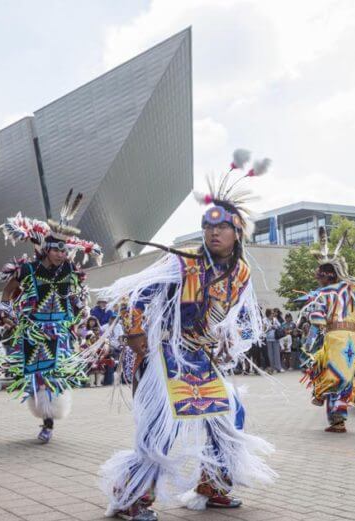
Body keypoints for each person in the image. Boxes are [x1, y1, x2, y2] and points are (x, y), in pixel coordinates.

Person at [98, 151, 275, 519]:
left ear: (237, 231)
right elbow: (134, 295)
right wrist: (134, 335)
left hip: (201, 356)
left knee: (229, 415)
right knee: (160, 427)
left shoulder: (240, 272)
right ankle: (132, 495)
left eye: (222, 227)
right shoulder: (183, 261)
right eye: (209, 227)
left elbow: (233, 315)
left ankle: (213, 486)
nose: (213, 232)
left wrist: (227, 338)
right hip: (166, 356)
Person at [0, 190, 103, 443]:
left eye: (65, 251)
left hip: (61, 331)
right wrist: (6, 314)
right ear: (47, 249)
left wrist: (79, 308)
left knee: (56, 375)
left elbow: (77, 296)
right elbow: (8, 291)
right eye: (57, 250)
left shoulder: (70, 270)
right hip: (35, 330)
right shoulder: (28, 269)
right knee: (39, 375)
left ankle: (50, 421)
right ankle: (47, 421)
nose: (62, 254)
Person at [301, 226, 355, 433]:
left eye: (319, 276)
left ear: (328, 276)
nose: (318, 280)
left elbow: (317, 323)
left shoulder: (323, 293)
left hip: (335, 338)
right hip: (353, 337)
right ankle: (337, 416)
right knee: (344, 375)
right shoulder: (354, 286)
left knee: (333, 375)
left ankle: (336, 417)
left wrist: (308, 344)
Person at [263, 309, 283, 373]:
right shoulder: (264, 320)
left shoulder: (275, 319)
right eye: (271, 313)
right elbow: (263, 329)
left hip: (275, 338)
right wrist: (269, 327)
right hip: (268, 339)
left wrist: (275, 326)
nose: (273, 314)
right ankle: (272, 368)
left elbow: (279, 326)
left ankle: (278, 367)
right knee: (270, 354)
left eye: (273, 313)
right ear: (268, 314)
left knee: (277, 354)